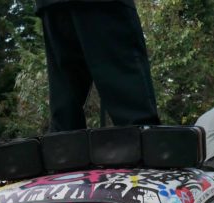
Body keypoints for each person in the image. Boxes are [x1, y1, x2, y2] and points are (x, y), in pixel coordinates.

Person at [35, 0, 160, 132]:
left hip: (50, 5)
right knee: (136, 114)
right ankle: (148, 147)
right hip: (102, 4)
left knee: (65, 113)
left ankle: (61, 150)